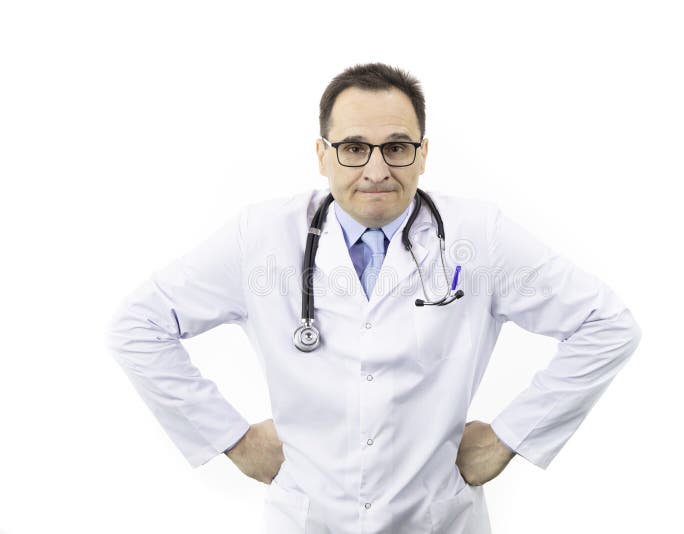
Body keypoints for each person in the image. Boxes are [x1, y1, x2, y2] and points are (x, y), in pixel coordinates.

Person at [105, 62, 642, 534]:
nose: (377, 169)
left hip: (437, 520)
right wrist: (231, 439)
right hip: (307, 520)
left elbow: (607, 324)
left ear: (424, 153)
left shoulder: (479, 237)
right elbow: (139, 325)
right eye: (354, 147)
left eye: (397, 147)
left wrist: (510, 436)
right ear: (322, 153)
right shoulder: (262, 238)